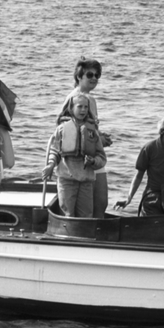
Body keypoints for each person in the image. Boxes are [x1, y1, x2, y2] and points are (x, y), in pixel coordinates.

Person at [57, 58, 112, 215]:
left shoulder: (90, 99)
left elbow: (87, 127)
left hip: (93, 156)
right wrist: (98, 140)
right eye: (89, 75)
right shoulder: (74, 99)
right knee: (97, 204)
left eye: (97, 75)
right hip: (79, 162)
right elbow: (66, 131)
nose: (94, 78)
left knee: (100, 203)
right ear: (79, 76)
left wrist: (99, 136)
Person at [42, 93, 106, 218]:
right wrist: (50, 165)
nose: (83, 110)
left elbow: (102, 157)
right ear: (71, 108)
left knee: (86, 215)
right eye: (79, 106)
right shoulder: (62, 129)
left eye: (86, 107)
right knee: (67, 214)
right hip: (66, 180)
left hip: (86, 181)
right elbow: (55, 151)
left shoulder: (92, 131)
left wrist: (93, 161)